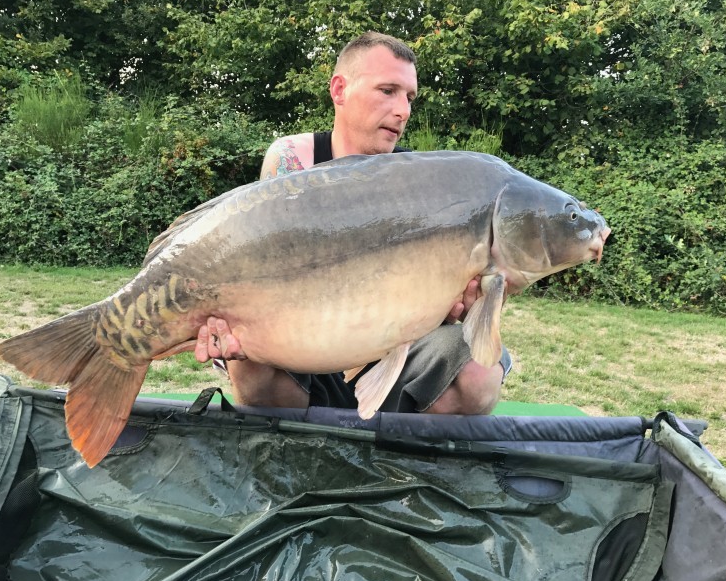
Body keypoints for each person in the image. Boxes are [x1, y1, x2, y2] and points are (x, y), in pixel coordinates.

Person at [194, 32, 511, 415]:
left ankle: (397, 447)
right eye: (388, 91)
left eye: (409, 97)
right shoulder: (293, 159)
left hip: (396, 355)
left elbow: (432, 302)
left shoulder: (421, 182)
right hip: (306, 348)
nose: (403, 110)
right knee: (249, 360)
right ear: (339, 89)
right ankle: (296, 441)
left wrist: (460, 302)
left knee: (478, 373)